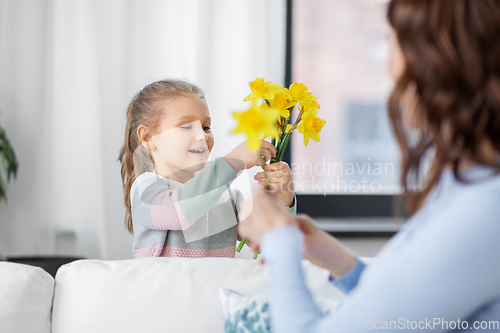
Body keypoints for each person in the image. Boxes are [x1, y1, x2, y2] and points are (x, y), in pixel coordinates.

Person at [238, 0, 500, 331]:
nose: (390, 67)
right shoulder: (469, 185)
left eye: (393, 45)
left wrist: (279, 243)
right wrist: (339, 261)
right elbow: (405, 314)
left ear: (439, 61)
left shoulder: (482, 212)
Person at [118, 79, 296, 258]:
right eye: (186, 126)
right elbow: (177, 212)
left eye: (206, 127)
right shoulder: (146, 189)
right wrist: (233, 161)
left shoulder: (225, 196)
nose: (202, 136)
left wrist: (283, 197)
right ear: (148, 137)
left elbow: (269, 239)